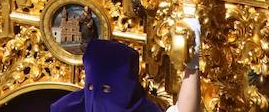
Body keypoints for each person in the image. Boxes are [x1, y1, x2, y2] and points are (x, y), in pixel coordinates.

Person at [51, 34, 200, 112]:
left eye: (106, 89)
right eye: (90, 88)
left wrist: (192, 63)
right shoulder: (68, 108)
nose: (96, 97)